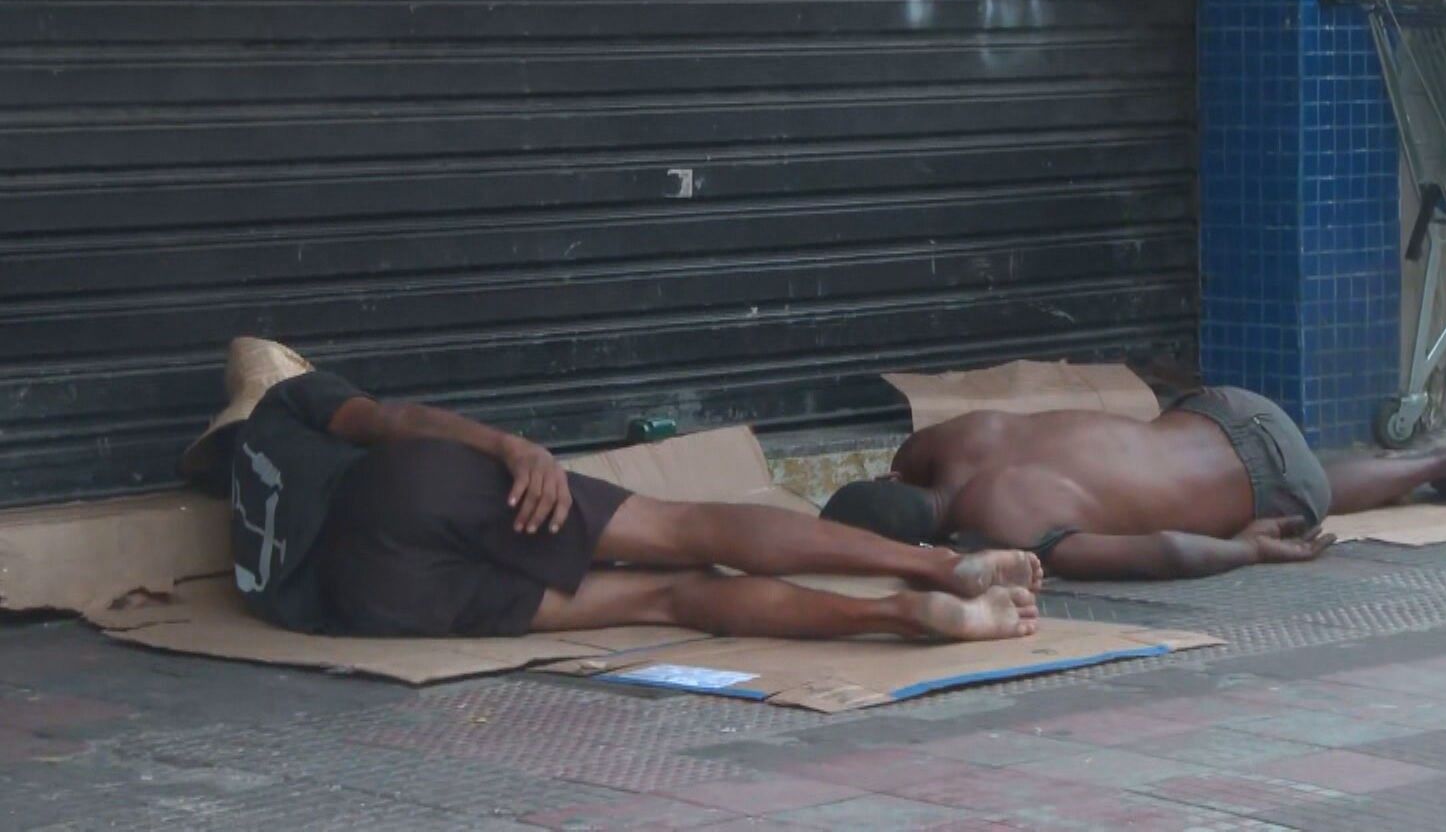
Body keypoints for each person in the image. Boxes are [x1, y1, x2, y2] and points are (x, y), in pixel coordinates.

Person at [178, 338, 1042, 642]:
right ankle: (932, 574)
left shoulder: (249, 508)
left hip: (373, 599)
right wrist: (512, 446)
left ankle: (896, 620)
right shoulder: (290, 406)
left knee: (669, 599)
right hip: (406, 489)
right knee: (683, 527)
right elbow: (390, 421)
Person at [821, 387, 1446, 580]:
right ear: (892, 475)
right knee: (1245, 463)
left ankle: (1437, 465)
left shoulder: (1010, 531)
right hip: (1219, 405)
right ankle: (1442, 461)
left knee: (1299, 485)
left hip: (1277, 484)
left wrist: (1250, 550)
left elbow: (1170, 553)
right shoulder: (945, 440)